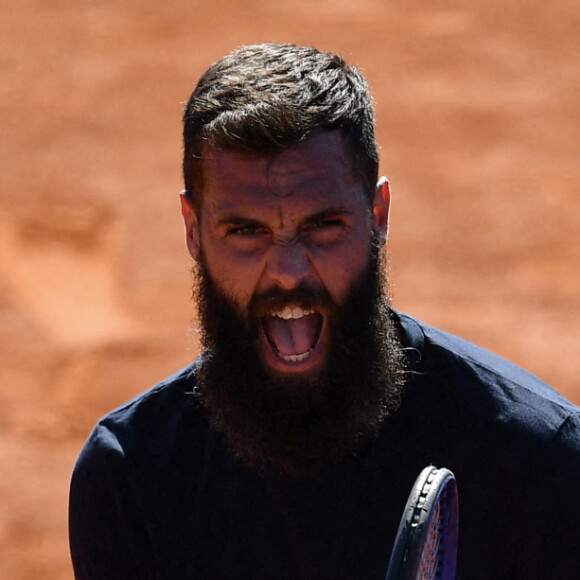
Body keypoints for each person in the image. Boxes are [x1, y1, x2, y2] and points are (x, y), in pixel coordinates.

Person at [69, 43, 580, 579]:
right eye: (246, 231)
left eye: (322, 225)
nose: (288, 271)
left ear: (377, 215)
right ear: (193, 230)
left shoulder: (540, 463)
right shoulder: (130, 478)